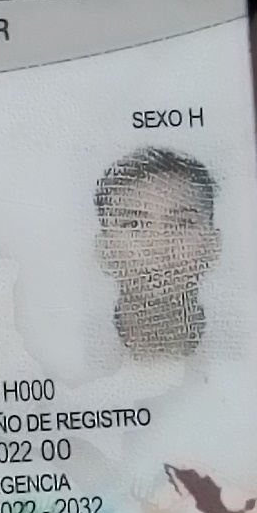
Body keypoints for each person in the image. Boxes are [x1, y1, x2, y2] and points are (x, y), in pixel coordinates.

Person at [95, 147, 220, 362]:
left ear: (213, 244)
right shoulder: (68, 356)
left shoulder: (252, 346)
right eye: (134, 224)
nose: (159, 247)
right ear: (104, 249)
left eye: (182, 224)